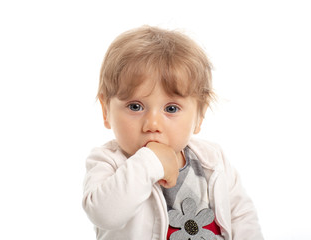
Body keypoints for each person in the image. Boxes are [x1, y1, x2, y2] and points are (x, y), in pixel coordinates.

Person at [82, 25, 263, 240]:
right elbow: (105, 214)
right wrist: (149, 162)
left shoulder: (213, 159)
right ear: (106, 111)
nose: (152, 124)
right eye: (135, 107)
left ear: (199, 117)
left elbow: (242, 216)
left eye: (171, 109)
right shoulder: (107, 162)